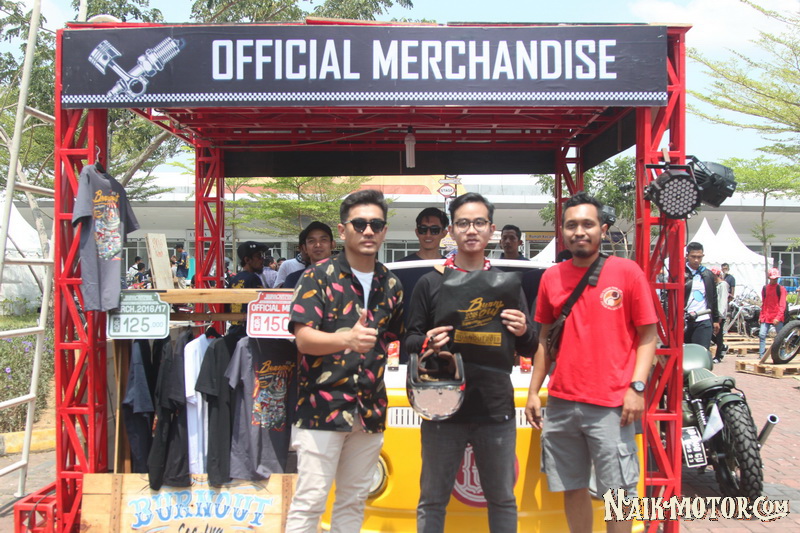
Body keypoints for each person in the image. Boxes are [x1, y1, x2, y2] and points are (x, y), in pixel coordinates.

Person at [525, 191, 657, 533]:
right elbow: (543, 339)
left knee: (619, 492)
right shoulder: (551, 277)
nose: (579, 232)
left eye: (587, 224)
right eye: (571, 225)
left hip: (612, 404)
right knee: (572, 486)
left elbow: (648, 336)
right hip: (562, 403)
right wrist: (534, 392)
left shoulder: (627, 272)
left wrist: (637, 387)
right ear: (562, 231)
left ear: (603, 229)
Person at [405, 192, 536, 533]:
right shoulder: (431, 282)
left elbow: (530, 346)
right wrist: (427, 342)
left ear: (491, 229)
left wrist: (523, 330)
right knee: (432, 499)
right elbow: (409, 339)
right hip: (441, 405)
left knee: (502, 499)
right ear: (451, 230)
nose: (471, 229)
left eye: (479, 222)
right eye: (463, 223)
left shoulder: (506, 284)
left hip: (494, 406)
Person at [284, 189, 404, 533]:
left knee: (353, 500)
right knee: (310, 501)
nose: (368, 231)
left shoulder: (391, 284)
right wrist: (346, 340)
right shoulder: (317, 276)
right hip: (322, 407)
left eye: (376, 225)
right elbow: (304, 339)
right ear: (343, 230)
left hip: (369, 408)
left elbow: (393, 340)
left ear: (384, 231)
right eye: (359, 224)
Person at [684, 242, 720, 350]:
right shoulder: (680, 273)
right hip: (684, 320)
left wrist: (715, 319)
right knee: (684, 352)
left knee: (701, 351)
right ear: (687, 256)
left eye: (699, 257)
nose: (696, 260)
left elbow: (713, 298)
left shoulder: (707, 274)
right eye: (693, 256)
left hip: (703, 319)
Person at [226, 241, 267, 336]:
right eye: (259, 256)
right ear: (247, 260)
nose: (262, 260)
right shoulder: (253, 278)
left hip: (234, 331)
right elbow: (262, 306)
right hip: (249, 333)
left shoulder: (234, 279)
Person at [283, 222, 336, 289]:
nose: (317, 245)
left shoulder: (345, 277)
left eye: (323, 240)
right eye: (311, 241)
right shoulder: (294, 279)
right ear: (305, 248)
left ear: (332, 244)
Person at [759, 267, 788, 359]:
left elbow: (782, 305)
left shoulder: (781, 289)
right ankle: (761, 355)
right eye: (772, 279)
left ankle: (782, 354)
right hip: (766, 315)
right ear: (769, 278)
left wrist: (778, 317)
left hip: (777, 316)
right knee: (762, 334)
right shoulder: (765, 288)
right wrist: (761, 316)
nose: (774, 280)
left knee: (780, 336)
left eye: (776, 279)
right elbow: (764, 303)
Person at [711, 268, 730, 363]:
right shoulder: (716, 285)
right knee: (711, 333)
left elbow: (722, 301)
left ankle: (718, 356)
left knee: (719, 335)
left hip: (719, 314)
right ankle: (722, 346)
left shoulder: (723, 285)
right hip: (714, 313)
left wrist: (720, 315)